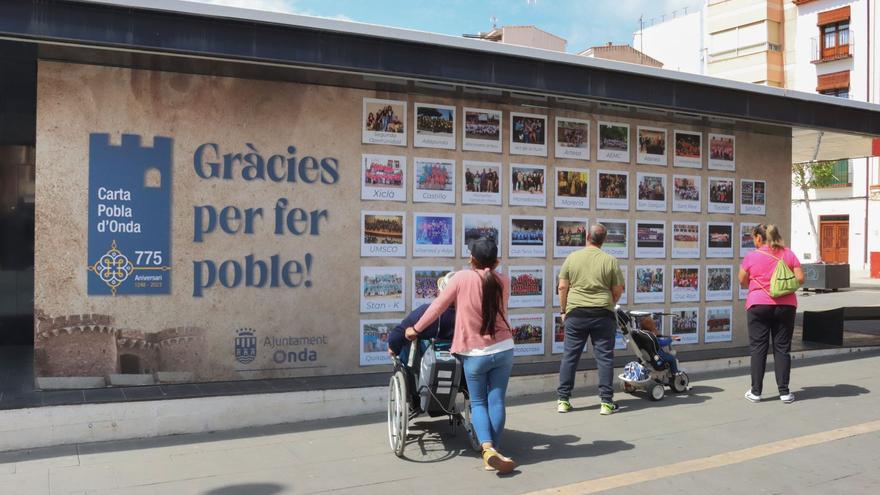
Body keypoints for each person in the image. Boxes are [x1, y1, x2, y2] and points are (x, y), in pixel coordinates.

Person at [405, 238, 516, 474]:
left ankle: (487, 450)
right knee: (496, 400)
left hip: (474, 352)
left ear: (471, 259)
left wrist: (415, 330)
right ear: (496, 261)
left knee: (478, 402)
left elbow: (437, 307)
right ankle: (493, 450)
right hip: (504, 348)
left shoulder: (461, 278)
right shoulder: (503, 280)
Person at [556, 223, 624, 415]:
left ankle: (563, 400)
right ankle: (606, 403)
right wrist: (609, 301)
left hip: (576, 313)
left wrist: (563, 310)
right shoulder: (610, 260)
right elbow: (618, 289)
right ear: (604, 240)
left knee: (570, 356)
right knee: (604, 357)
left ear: (587, 236)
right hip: (603, 313)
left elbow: (562, 287)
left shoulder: (572, 258)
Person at [738, 224, 804, 404]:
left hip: (758, 304)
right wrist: (782, 286)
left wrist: (759, 284)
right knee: (782, 348)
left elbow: (742, 280)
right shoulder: (788, 254)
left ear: (759, 238)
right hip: (786, 306)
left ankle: (756, 392)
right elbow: (800, 278)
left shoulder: (752, 256)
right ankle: (784, 392)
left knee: (758, 348)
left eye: (753, 238)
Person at [387, 273, 456, 362]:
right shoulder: (472, 313)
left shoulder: (426, 310)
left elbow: (396, 336)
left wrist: (393, 348)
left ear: (441, 292)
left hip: (425, 366)